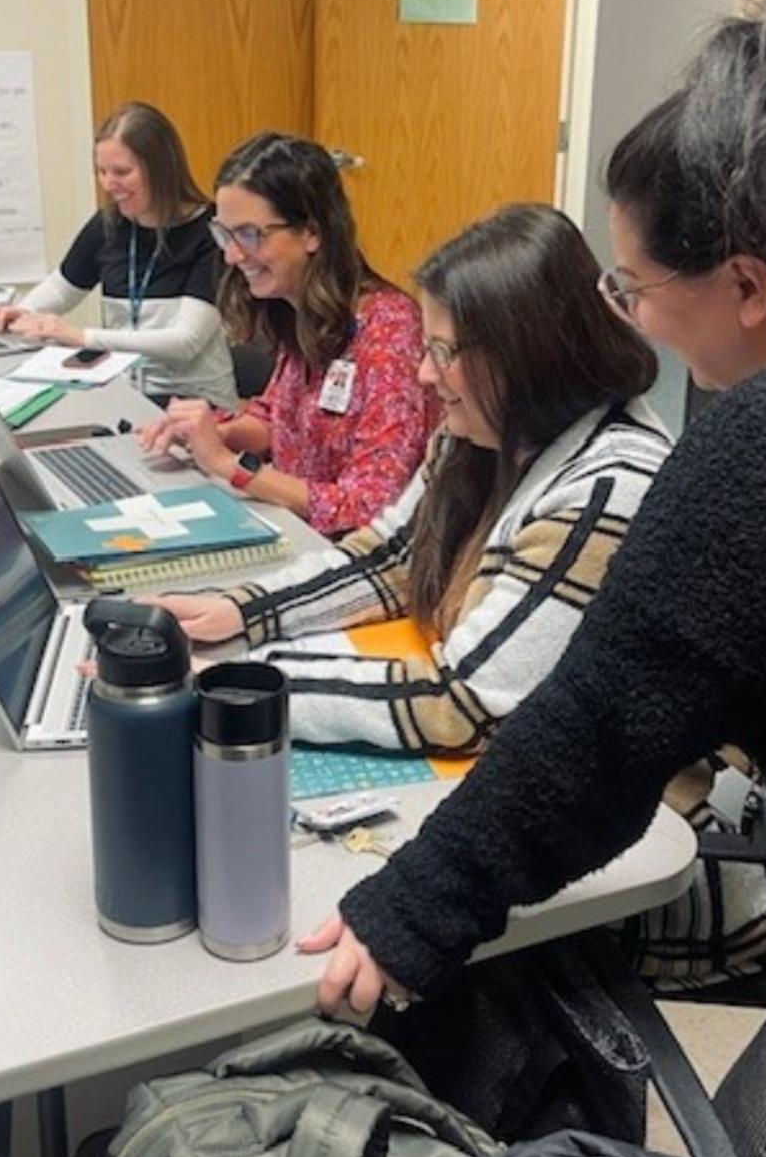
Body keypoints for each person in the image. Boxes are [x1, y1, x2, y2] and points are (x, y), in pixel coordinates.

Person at [300, 0, 766, 1157]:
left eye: (638, 289)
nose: (632, 321)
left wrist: (409, 909)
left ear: (751, 282)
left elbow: (595, 732)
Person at [151, 203, 669, 750]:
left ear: (525, 354)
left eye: (442, 352)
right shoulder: (481, 432)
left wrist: (232, 686)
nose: (424, 374)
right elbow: (391, 558)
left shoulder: (611, 486)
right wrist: (240, 610)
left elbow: (465, 701)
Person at [139, 132, 437, 537]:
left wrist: (228, 466)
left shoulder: (390, 331)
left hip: (347, 549)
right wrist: (215, 434)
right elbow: (277, 417)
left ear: (311, 232)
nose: (232, 255)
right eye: (225, 234)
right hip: (295, 528)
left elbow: (368, 505)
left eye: (249, 234)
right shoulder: (299, 307)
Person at [0, 102, 235, 408]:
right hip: (126, 390)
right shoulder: (108, 225)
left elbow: (186, 342)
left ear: (161, 169)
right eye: (101, 171)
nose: (108, 184)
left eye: (122, 172)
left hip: (195, 401)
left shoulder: (211, 233)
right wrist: (24, 312)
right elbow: (62, 287)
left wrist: (80, 337)